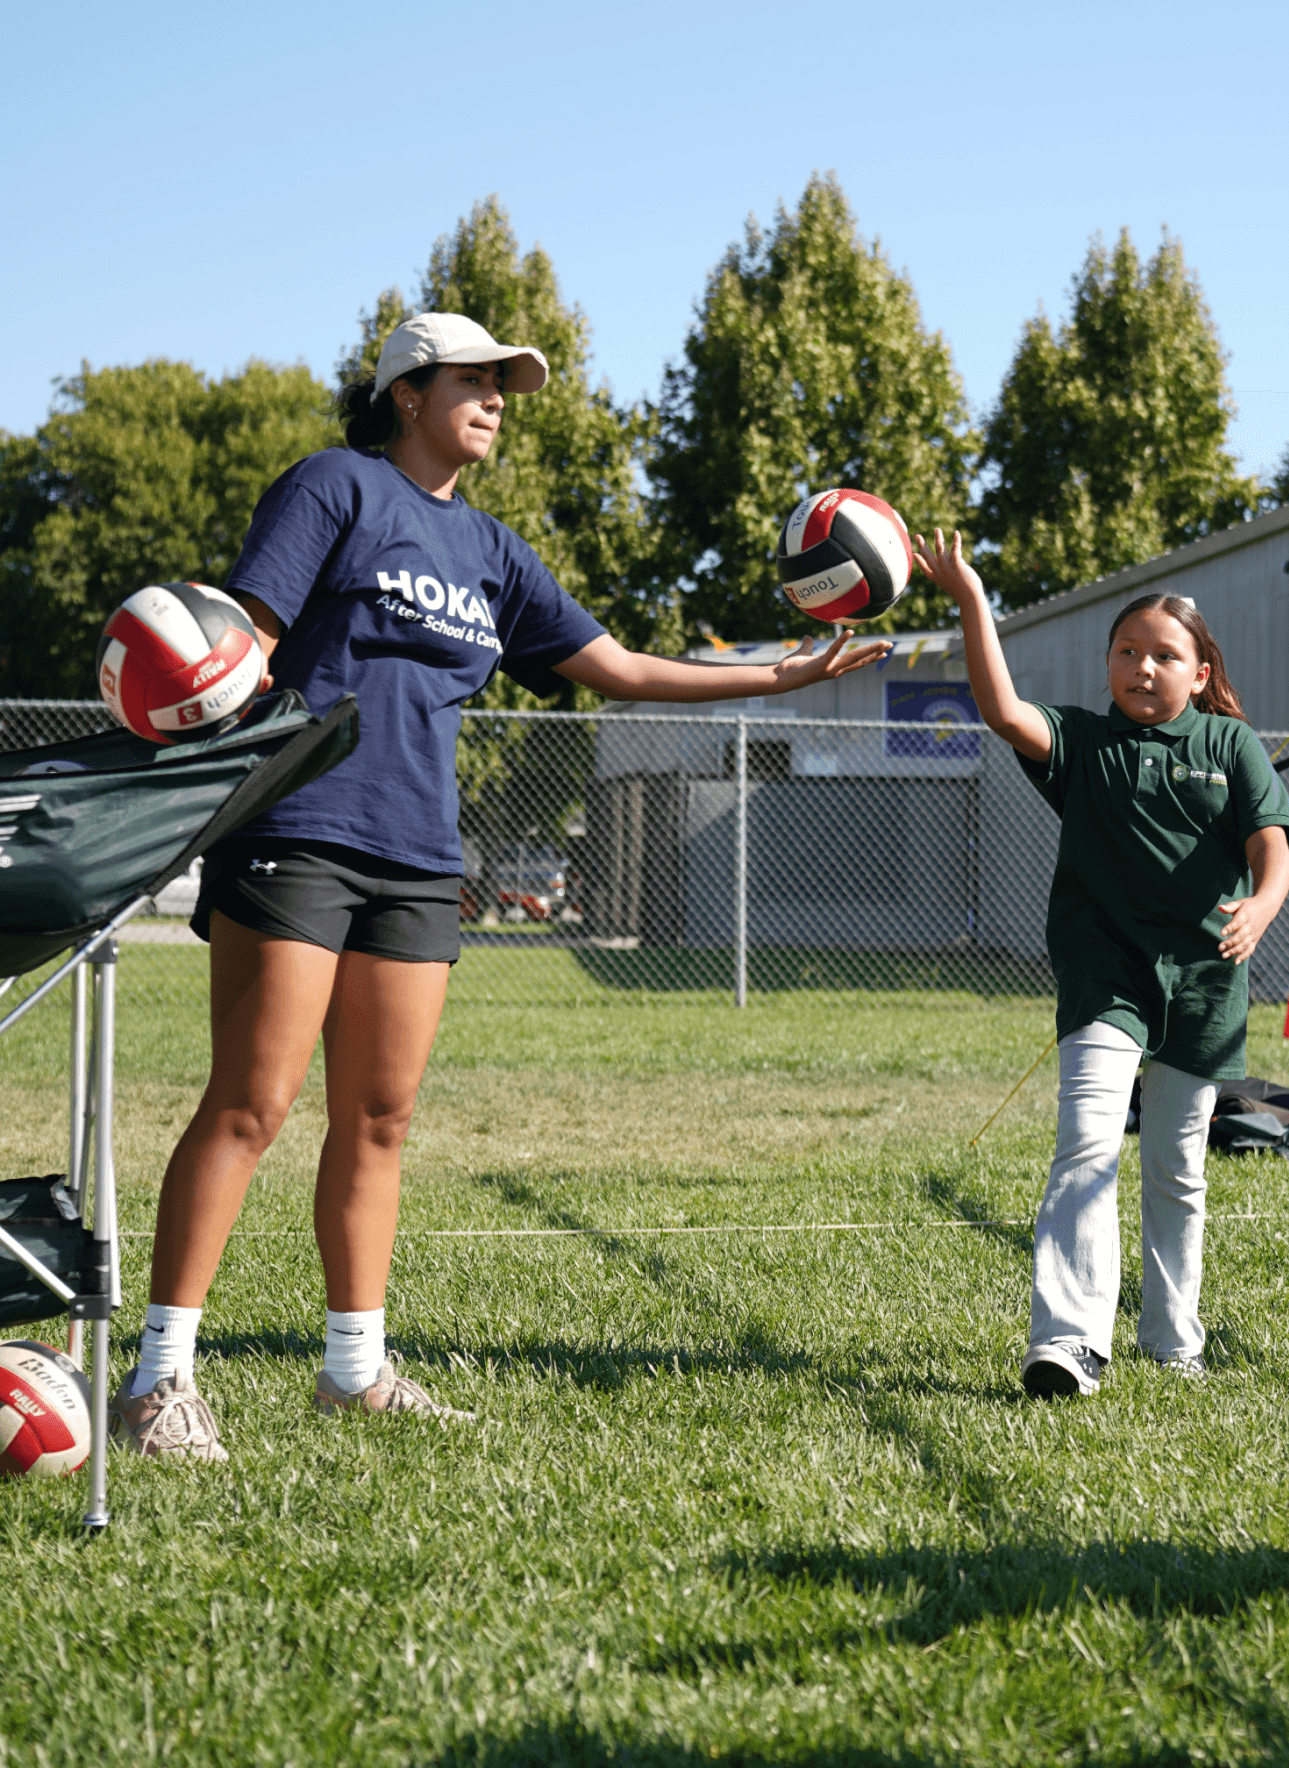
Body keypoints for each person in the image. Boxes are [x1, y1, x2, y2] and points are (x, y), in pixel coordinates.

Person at [110, 312, 890, 1460]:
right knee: (254, 1101)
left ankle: (354, 1372)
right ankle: (158, 1379)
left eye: (503, 385)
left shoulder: (493, 553)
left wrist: (782, 675)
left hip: (421, 857)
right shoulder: (333, 488)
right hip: (300, 827)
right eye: (473, 380)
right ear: (408, 393)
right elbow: (240, 643)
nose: (496, 399)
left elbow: (616, 667)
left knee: (381, 1118)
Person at [916, 529, 1289, 1398]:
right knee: (1085, 1147)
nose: (1144, 667)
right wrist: (974, 599)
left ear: (1200, 673)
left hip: (1205, 986)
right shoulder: (1081, 743)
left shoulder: (1230, 747)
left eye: (1165, 655)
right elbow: (1002, 711)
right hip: (1105, 978)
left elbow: (1271, 849)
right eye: (1127, 652)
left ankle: (1173, 1340)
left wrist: (1265, 904)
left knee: (1176, 1168)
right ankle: (1071, 1343)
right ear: (1110, 664)